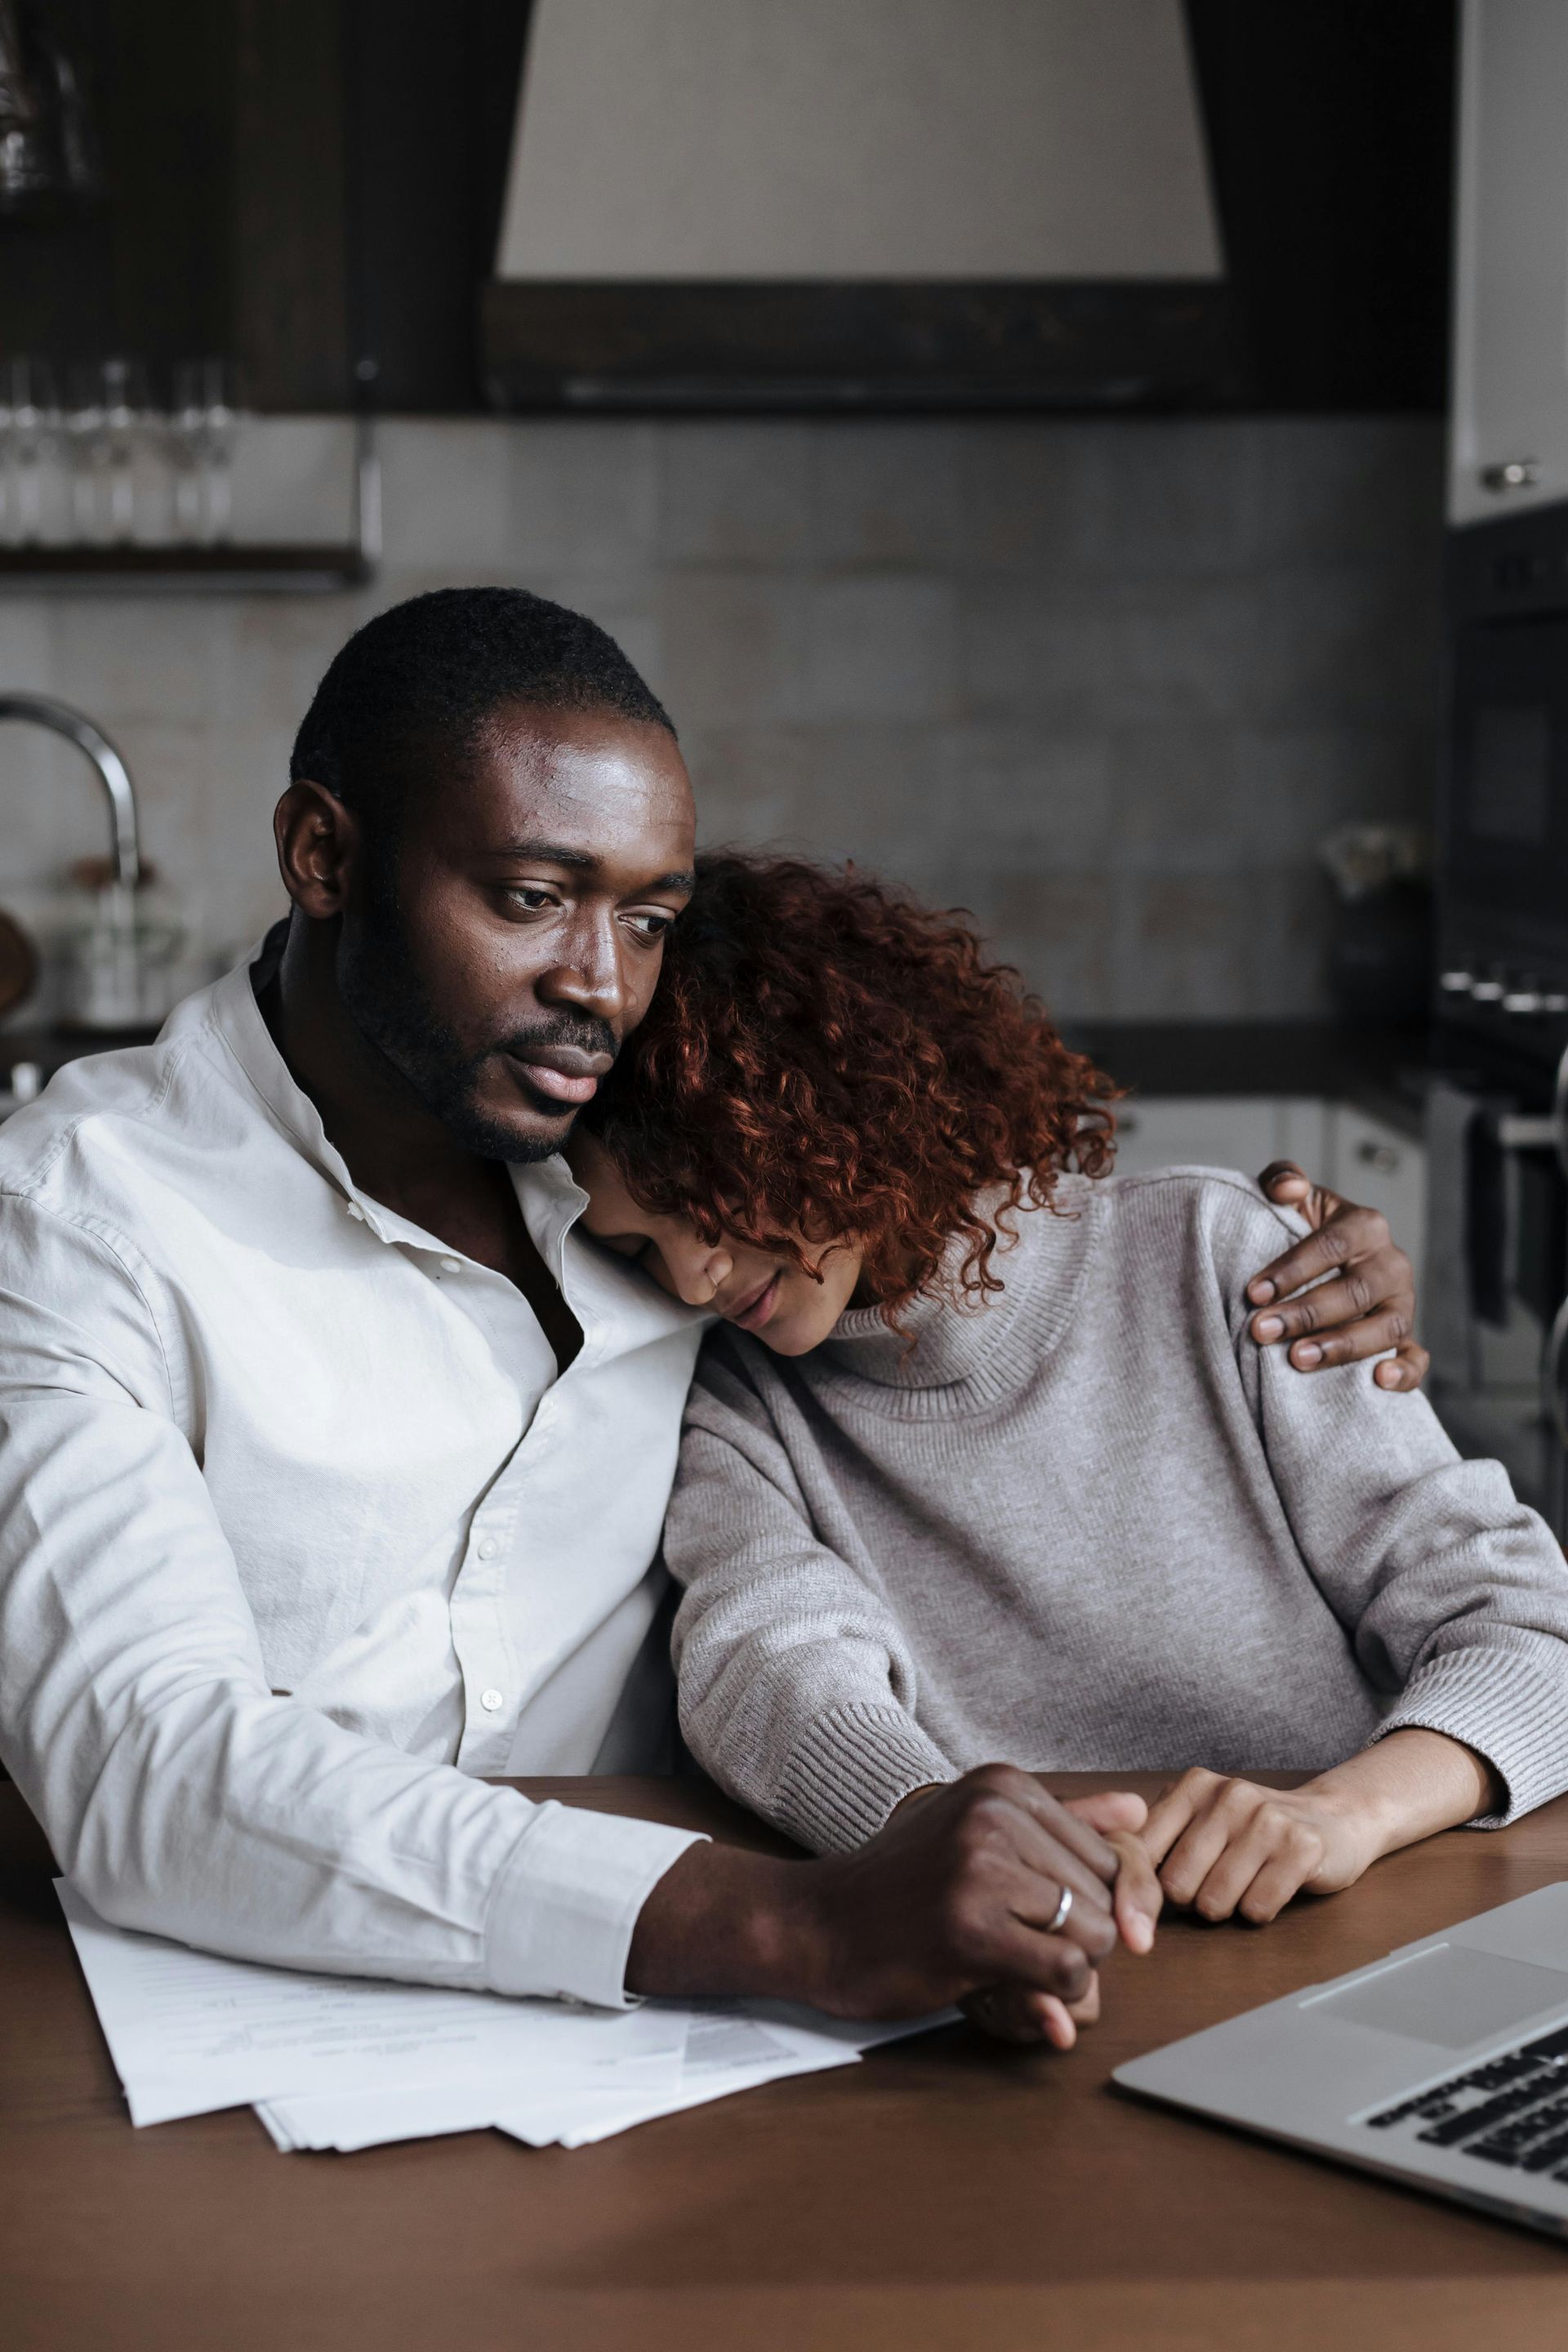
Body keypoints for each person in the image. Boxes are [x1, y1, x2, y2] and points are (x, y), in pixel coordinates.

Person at [0, 589, 1423, 2051]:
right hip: (253, 2005)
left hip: (697, 2039)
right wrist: (797, 1922)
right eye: (532, 897)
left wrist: (1274, 1264)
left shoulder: (657, 1169)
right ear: (324, 856)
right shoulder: (73, 1219)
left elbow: (961, 1246)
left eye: (650, 918)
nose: (599, 987)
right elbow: (149, 1764)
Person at [576, 850, 1568, 1972]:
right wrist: (937, 1844)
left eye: (710, 1202)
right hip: (1027, 1958)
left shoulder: (1217, 1257)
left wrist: (1343, 1817)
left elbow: (1526, 1626)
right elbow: (764, 1666)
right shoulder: (735, 1396)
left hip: (1362, 1929)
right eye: (637, 1248)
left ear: (825, 1114)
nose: (694, 1281)